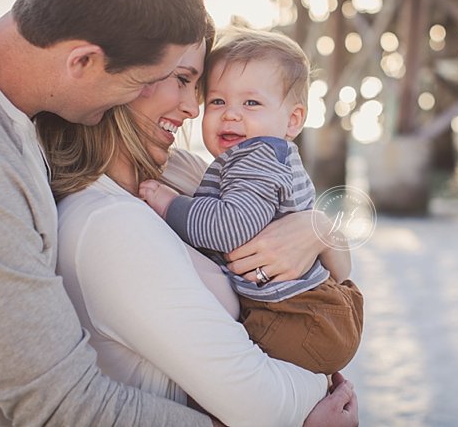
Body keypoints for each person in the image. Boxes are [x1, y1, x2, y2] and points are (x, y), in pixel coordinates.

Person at [0, 0, 355, 426]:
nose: (192, 107)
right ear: (86, 62)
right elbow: (57, 404)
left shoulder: (162, 169)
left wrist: (317, 228)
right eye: (171, 79)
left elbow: (305, 227)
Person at [36, 30, 359, 426]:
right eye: (182, 80)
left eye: (198, 86)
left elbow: (339, 269)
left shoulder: (180, 170)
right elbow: (264, 409)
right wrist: (328, 392)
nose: (195, 107)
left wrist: (316, 227)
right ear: (124, 78)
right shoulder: (110, 223)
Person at [139, 26, 364, 376]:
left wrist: (171, 206)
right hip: (318, 308)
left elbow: (228, 227)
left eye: (251, 103)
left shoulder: (255, 158)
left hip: (295, 314)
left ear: (293, 121)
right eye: (217, 101)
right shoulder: (259, 157)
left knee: (224, 376)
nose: (230, 114)